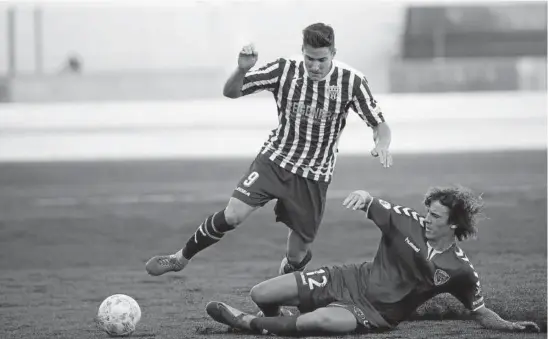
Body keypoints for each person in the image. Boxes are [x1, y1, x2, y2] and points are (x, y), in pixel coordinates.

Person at [145, 22, 392, 279]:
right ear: (302, 52)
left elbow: (379, 125)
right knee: (232, 215)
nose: (315, 66)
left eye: (321, 59)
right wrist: (242, 69)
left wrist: (382, 143)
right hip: (275, 160)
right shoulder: (284, 70)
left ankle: (274, 301)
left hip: (314, 175)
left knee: (296, 256)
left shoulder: (351, 82)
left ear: (333, 53)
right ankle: (179, 258)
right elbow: (232, 92)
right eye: (309, 59)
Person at [205, 186, 540, 336]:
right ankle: (278, 322)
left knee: (316, 324)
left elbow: (479, 311)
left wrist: (510, 326)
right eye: (427, 210)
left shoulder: (459, 270)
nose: (426, 217)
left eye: (435, 215)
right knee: (261, 293)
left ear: (453, 224)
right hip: (348, 279)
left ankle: (251, 326)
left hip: (374, 313)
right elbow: (371, 202)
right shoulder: (405, 220)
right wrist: (362, 197)